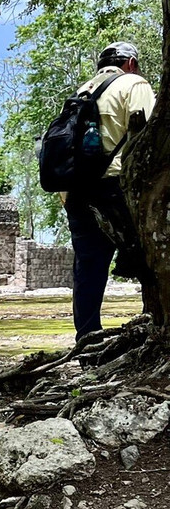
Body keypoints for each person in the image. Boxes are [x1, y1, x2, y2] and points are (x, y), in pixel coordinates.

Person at [64, 41, 155, 340]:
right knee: (149, 259)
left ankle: (88, 344)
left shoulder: (82, 91)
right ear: (130, 63)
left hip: (77, 191)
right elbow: (149, 138)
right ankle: (155, 330)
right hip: (117, 187)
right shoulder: (134, 83)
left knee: (88, 270)